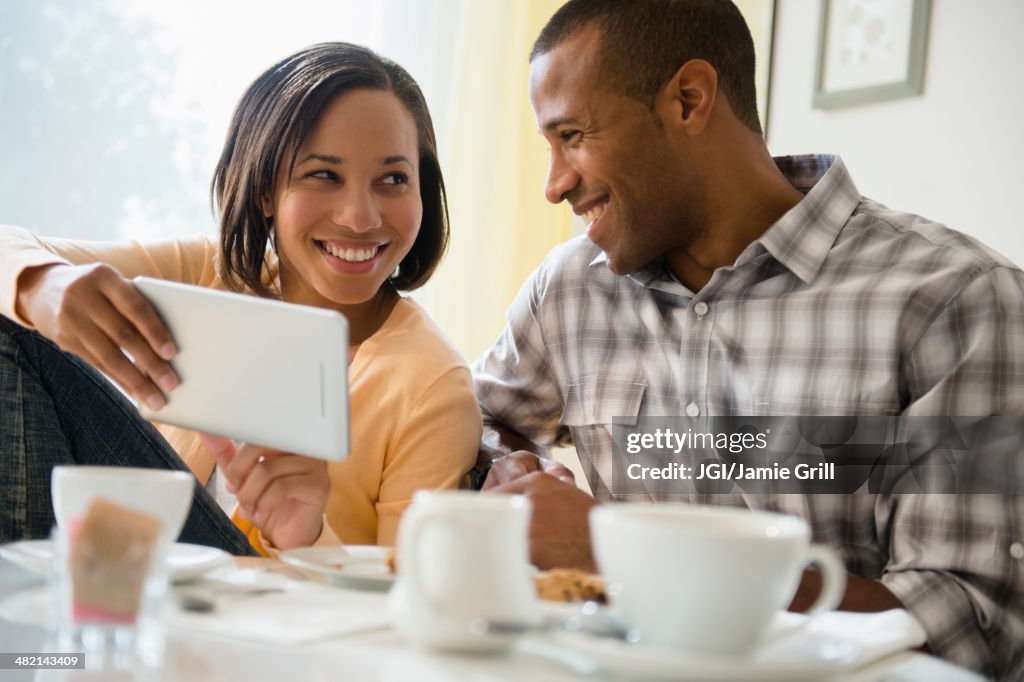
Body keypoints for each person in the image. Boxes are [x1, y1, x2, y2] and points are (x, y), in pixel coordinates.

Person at [469, 1, 1024, 679]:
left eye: (575, 135)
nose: (555, 183)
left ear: (689, 99)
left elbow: (967, 624)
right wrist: (514, 472)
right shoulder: (570, 288)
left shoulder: (956, 301)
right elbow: (481, 420)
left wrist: (621, 551)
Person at [0, 42, 481, 555]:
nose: (360, 218)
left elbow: (409, 610)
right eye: (324, 175)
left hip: (274, 616)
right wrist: (42, 285)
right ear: (265, 190)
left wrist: (308, 538)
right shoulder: (207, 273)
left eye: (392, 179)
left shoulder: (433, 386)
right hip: (136, 574)